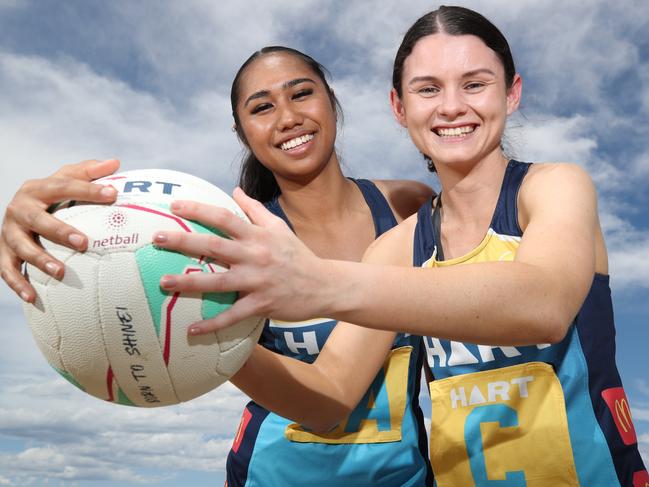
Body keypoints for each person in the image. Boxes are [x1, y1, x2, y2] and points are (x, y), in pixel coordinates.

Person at [149, 6, 648, 486]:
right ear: (399, 106)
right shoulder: (398, 246)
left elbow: (544, 302)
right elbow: (329, 396)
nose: (452, 105)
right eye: (428, 89)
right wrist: (186, 334)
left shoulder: (555, 186)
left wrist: (318, 282)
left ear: (512, 93)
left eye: (475, 83)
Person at [0, 47, 435, 485]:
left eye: (301, 94)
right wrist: (37, 218)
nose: (287, 118)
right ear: (242, 132)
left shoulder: (407, 207)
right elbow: (119, 253)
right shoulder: (231, 242)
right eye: (262, 107)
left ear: (331, 101)